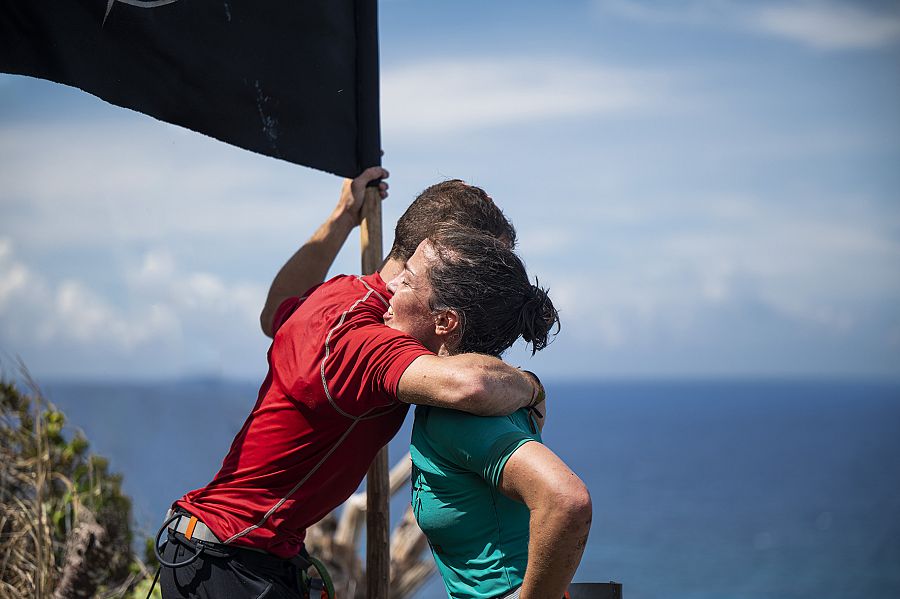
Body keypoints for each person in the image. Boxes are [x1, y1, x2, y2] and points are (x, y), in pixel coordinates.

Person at [158, 168, 545, 598]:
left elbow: (273, 313)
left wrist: (343, 216)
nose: (496, 286)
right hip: (233, 558)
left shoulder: (342, 295)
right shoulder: (364, 338)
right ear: (439, 252)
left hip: (239, 550)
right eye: (485, 265)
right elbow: (470, 385)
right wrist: (531, 387)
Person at [393, 228, 592, 599]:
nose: (390, 286)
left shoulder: (460, 418)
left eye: (406, 280)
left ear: (444, 321)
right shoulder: (505, 396)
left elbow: (567, 500)